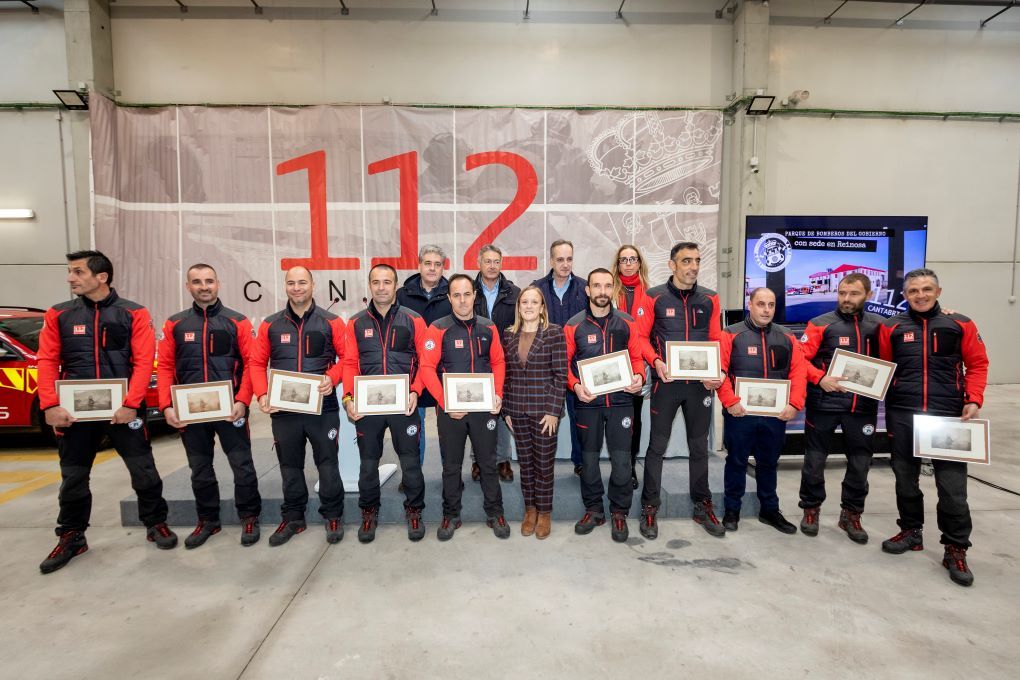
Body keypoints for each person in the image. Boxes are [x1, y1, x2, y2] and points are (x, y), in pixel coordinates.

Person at [38, 250, 177, 574]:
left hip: (124, 410)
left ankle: (156, 523)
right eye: (70, 272)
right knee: (73, 475)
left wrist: (131, 403)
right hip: (75, 412)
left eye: (77, 272)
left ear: (101, 277)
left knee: (143, 470)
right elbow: (47, 360)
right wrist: (49, 404)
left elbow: (144, 362)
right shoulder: (58, 314)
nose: (70, 278)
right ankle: (72, 535)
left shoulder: (133, 313)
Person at [877, 268, 988, 587]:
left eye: (926, 289)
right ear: (905, 295)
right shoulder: (892, 327)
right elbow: (885, 366)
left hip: (947, 416)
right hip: (903, 414)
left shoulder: (960, 323)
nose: (920, 295)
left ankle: (955, 547)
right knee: (905, 480)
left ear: (938, 292)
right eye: (913, 291)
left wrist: (973, 398)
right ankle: (911, 531)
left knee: (952, 489)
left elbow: (978, 364)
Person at [157, 263, 262, 548]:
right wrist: (166, 405)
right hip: (190, 413)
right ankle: (208, 521)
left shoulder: (237, 321)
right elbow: (165, 366)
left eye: (209, 281)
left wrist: (242, 400)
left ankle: (249, 516)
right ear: (187, 286)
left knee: (242, 466)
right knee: (200, 468)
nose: (204, 286)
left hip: (231, 411)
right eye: (197, 281)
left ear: (218, 283)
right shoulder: (175, 324)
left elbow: (253, 363)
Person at [634, 242, 726, 539]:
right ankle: (650, 507)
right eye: (686, 261)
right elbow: (640, 338)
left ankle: (702, 505)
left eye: (697, 260)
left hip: (700, 387)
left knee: (699, 447)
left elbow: (717, 339)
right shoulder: (654, 297)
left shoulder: (711, 298)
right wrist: (656, 362)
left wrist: (719, 371)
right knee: (656, 448)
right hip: (667, 385)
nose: (694, 266)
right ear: (672, 265)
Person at [250, 266, 345, 546]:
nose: (297, 287)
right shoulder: (270, 324)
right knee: (289, 466)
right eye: (291, 283)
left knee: (327, 464)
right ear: (285, 286)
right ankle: (293, 517)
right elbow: (256, 363)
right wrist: (262, 395)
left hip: (323, 409)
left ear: (313, 285)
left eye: (302, 282)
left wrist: (333, 377)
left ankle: (333, 515)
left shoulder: (332, 322)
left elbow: (348, 359)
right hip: (284, 411)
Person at [342, 264, 429, 543]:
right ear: (369, 286)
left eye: (387, 282)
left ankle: (414, 510)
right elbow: (350, 364)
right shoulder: (356, 323)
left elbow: (425, 363)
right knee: (368, 463)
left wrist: (415, 391)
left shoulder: (414, 320)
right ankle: (369, 511)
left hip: (405, 405)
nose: (381, 287)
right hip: (369, 408)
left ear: (395, 286)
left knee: (410, 462)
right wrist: (348, 398)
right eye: (376, 282)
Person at [420, 274, 510, 540]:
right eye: (456, 295)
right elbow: (426, 368)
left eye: (467, 294)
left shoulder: (488, 327)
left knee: (488, 463)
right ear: (449, 298)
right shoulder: (437, 328)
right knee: (451, 465)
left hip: (484, 410)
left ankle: (495, 512)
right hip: (451, 410)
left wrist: (497, 394)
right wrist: (444, 401)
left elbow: (498, 362)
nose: (462, 300)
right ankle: (451, 514)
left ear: (474, 296)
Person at [796, 273, 883, 543]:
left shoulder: (882, 326)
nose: (846, 299)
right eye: (842, 293)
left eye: (854, 294)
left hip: (862, 407)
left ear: (869, 295)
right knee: (814, 460)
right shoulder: (820, 324)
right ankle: (811, 509)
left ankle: (851, 514)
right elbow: (799, 360)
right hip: (824, 404)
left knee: (860, 463)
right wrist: (820, 379)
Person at [717, 287, 807, 535]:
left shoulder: (787, 336)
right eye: (761, 304)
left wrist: (794, 404)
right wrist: (730, 401)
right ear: (750, 304)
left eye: (771, 305)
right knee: (736, 461)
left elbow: (799, 373)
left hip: (775, 416)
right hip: (740, 413)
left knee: (769, 463)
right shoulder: (731, 334)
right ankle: (732, 510)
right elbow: (720, 372)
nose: (766, 310)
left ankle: (770, 509)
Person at [564, 269, 645, 543]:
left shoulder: (627, 322)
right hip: (588, 403)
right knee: (588, 460)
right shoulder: (573, 325)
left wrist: (639, 377)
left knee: (622, 461)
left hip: (622, 402)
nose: (601, 291)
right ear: (587, 290)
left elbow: (636, 357)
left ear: (614, 289)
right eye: (596, 286)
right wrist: (575, 385)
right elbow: (563, 366)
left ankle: (619, 511)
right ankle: (594, 509)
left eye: (607, 286)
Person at [502, 286, 567, 539]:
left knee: (543, 464)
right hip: (516, 409)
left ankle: (545, 513)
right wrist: (506, 409)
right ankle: (530, 510)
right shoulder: (508, 335)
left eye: (534, 302)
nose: (528, 306)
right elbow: (506, 375)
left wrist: (553, 412)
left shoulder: (554, 333)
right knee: (525, 465)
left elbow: (560, 376)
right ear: (519, 307)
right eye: (524, 302)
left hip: (544, 412)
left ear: (542, 308)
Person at [531, 240, 588, 475]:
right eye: (560, 259)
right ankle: (541, 465)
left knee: (579, 418)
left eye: (569, 259)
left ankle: (581, 463)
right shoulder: (537, 289)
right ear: (551, 261)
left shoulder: (585, 288)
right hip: (546, 367)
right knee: (545, 418)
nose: (565, 264)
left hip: (577, 366)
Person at [396, 244, 452, 467]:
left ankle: (451, 475)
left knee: (448, 432)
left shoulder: (453, 294)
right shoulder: (401, 295)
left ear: (443, 268)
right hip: (412, 373)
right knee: (413, 430)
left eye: (437, 265)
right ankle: (413, 474)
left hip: (443, 372)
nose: (432, 269)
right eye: (427, 263)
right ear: (419, 265)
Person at [473, 244, 520, 482]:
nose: (492, 266)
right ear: (478, 263)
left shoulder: (515, 292)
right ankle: (478, 461)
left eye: (496, 261)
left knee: (501, 410)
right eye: (487, 261)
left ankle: (503, 460)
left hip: (505, 360)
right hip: (475, 359)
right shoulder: (468, 291)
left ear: (502, 264)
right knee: (477, 411)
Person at [611, 244, 651, 488]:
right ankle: (617, 466)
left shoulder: (650, 293)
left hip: (637, 363)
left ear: (639, 263)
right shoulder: (607, 290)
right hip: (610, 365)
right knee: (611, 418)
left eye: (632, 259)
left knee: (633, 419)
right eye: (623, 259)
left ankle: (631, 466)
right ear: (617, 264)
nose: (628, 263)